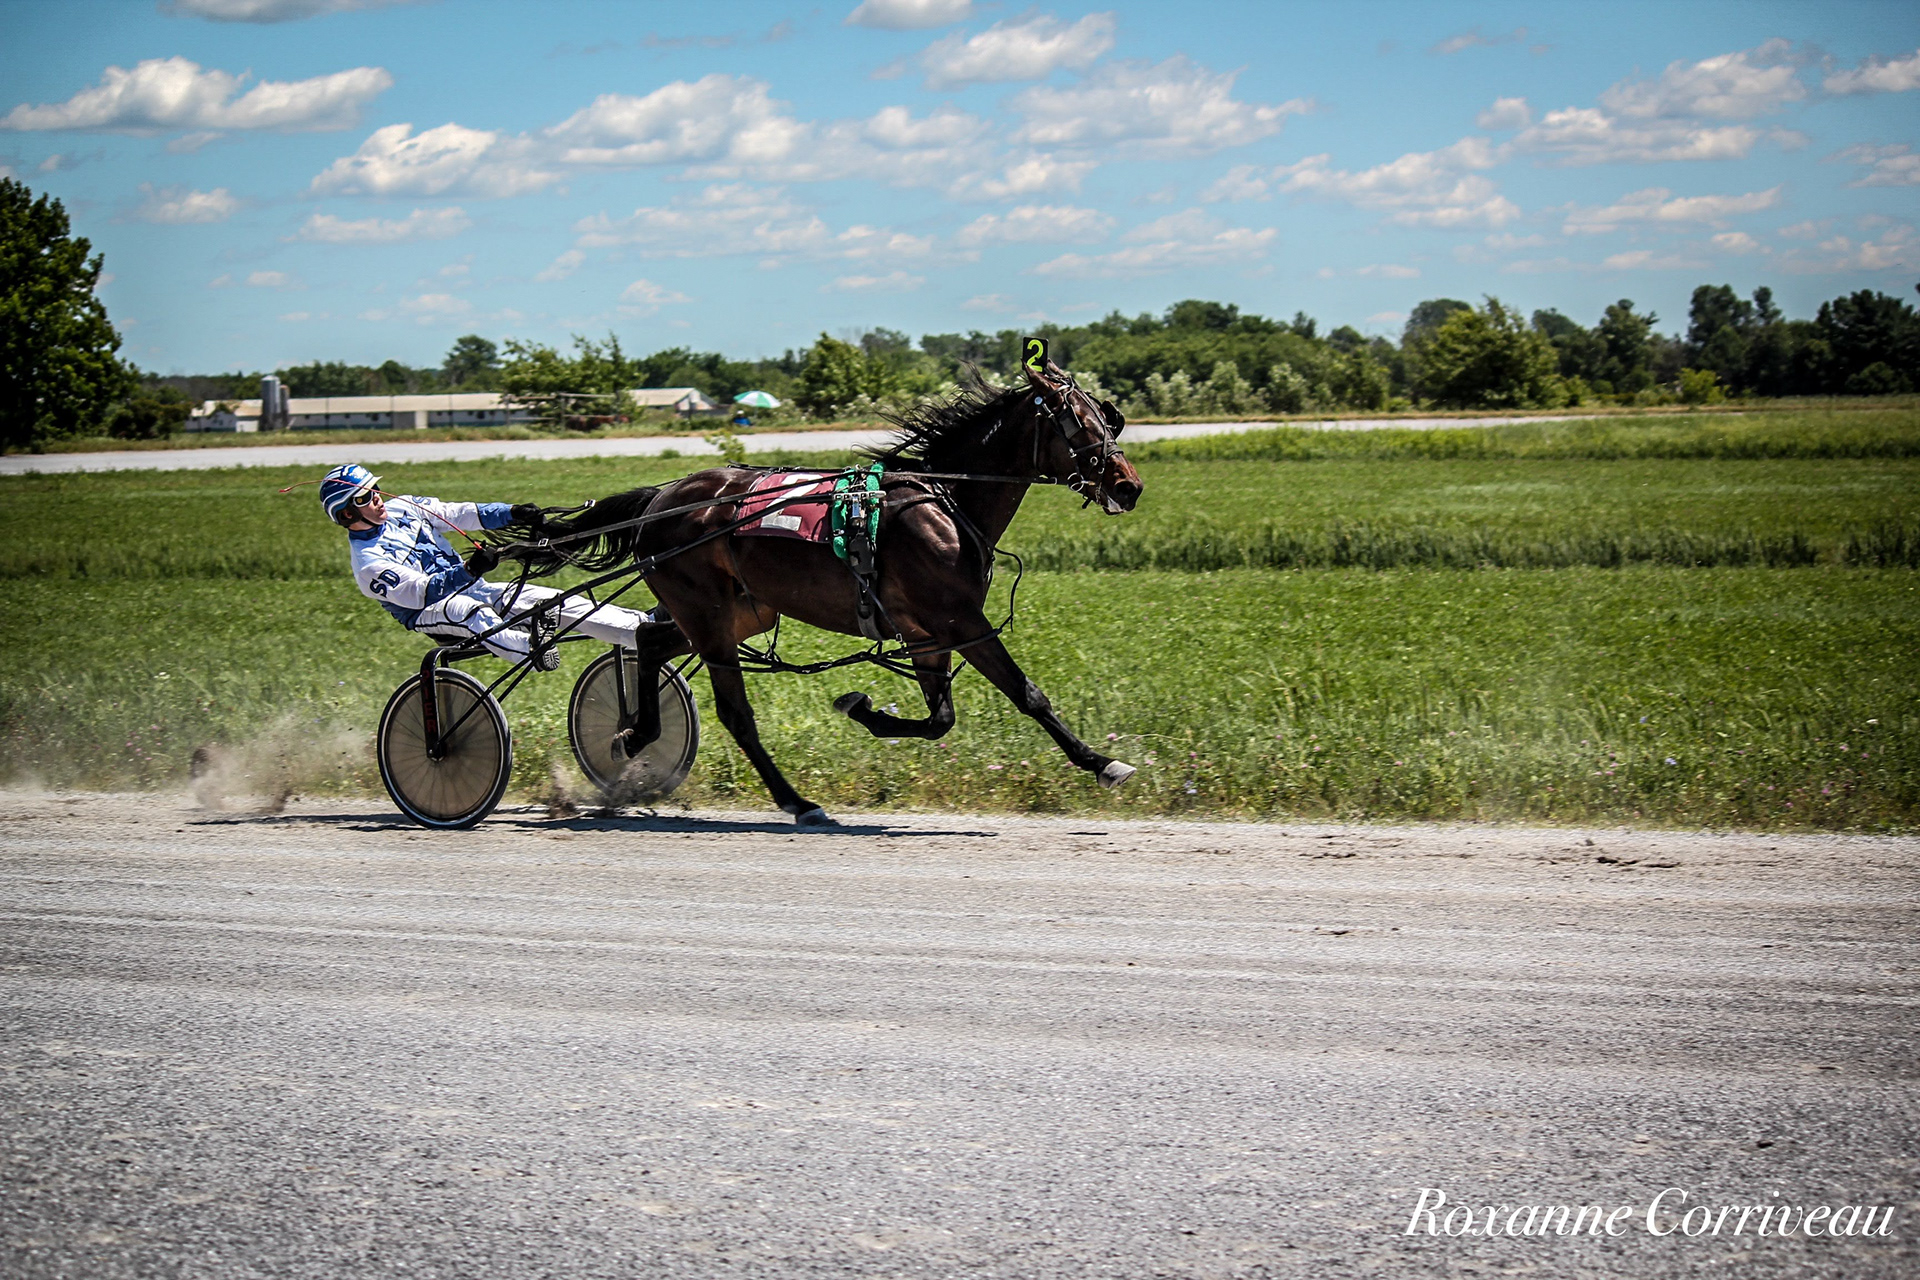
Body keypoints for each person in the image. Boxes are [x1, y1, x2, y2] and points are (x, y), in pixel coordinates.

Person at [318, 463, 661, 669]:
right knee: (469, 610)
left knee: (556, 602)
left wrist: (512, 512)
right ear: (347, 514)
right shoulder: (368, 563)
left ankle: (642, 629)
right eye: (365, 497)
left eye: (375, 489)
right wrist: (469, 570)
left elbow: (458, 513)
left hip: (475, 586)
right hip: (429, 611)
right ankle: (530, 650)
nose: (377, 498)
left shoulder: (404, 506)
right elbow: (421, 593)